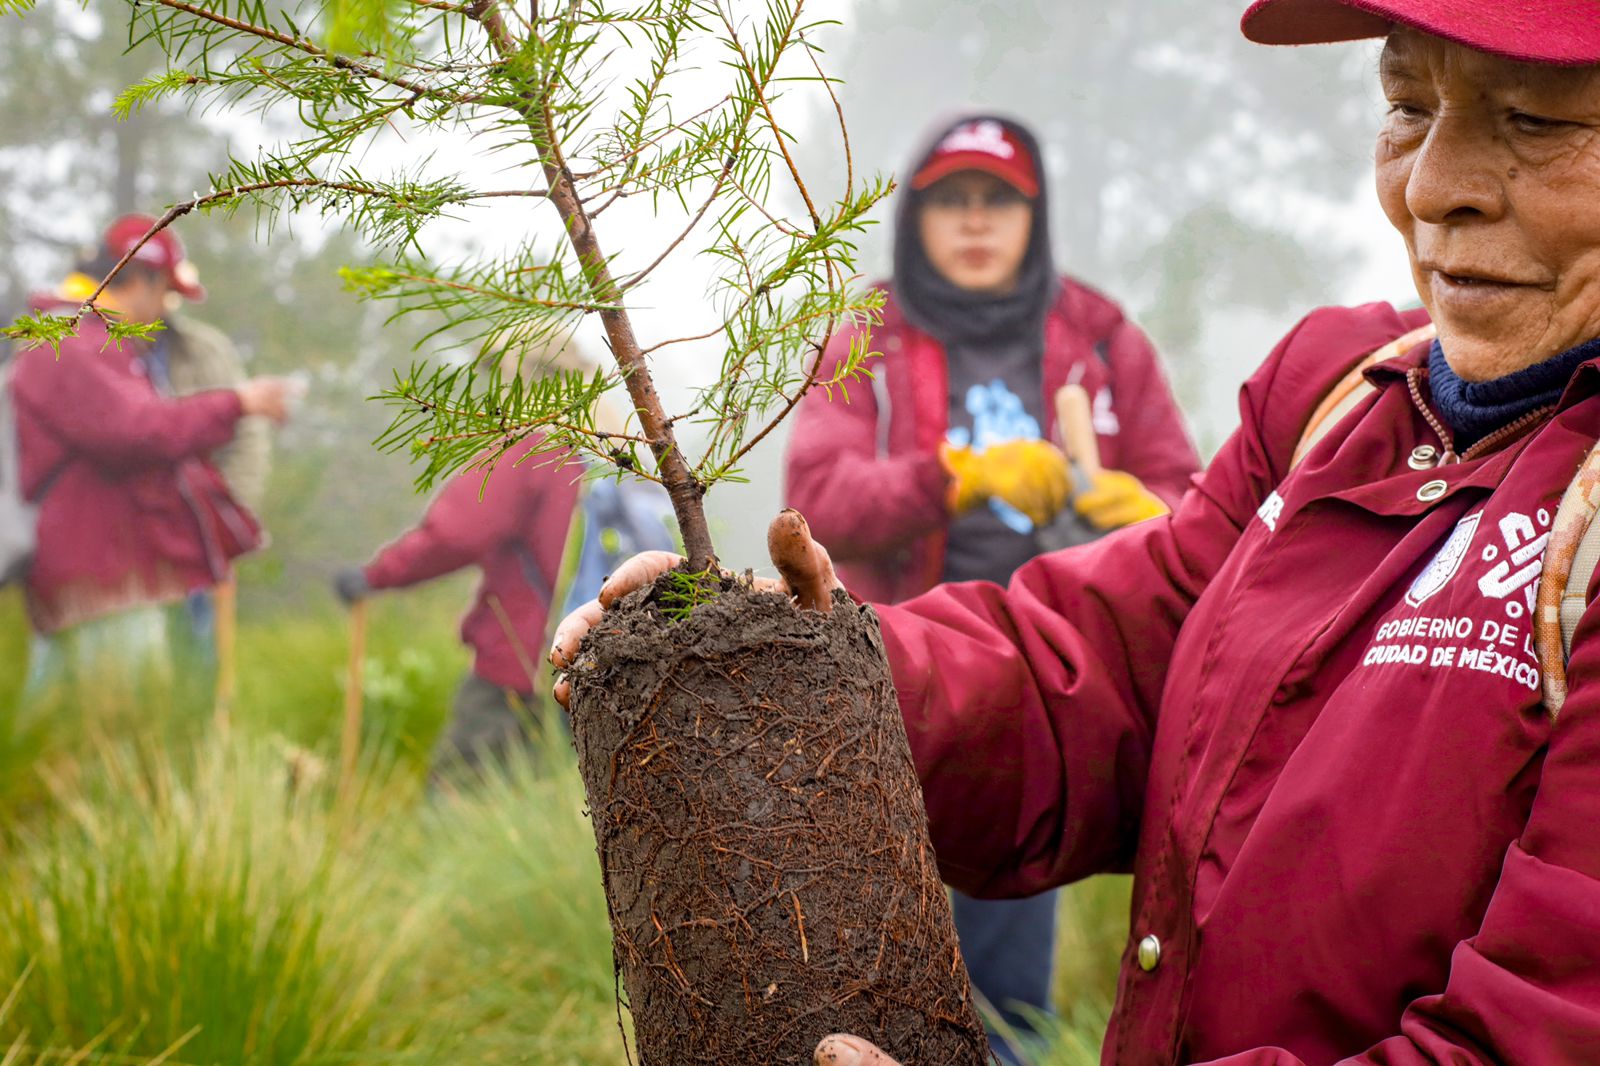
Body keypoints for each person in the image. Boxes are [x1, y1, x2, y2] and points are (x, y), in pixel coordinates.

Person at [555, 1, 1600, 1062]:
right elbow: (1109, 664)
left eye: (1533, 118)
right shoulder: (1336, 399)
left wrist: (1128, 497)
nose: (1429, 188)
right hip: (949, 695)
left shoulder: (1091, 332)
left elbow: (1537, 1036)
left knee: (1003, 1001)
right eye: (1407, 105)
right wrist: (821, 666)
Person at [784, 112, 1199, 1059]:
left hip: (1053, 683)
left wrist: (1147, 513)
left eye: (999, 201)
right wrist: (957, 475)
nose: (976, 222)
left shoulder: (1099, 335)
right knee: (865, 937)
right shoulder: (868, 335)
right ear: (916, 220)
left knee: (1007, 959)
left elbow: (1190, 494)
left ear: (1034, 216)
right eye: (952, 201)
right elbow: (817, 499)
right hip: (893, 672)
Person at [12, 220, 292, 689]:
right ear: (141, 280)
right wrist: (237, 402)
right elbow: (137, 430)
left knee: (66, 739)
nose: (166, 308)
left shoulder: (74, 337)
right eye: (165, 291)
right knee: (122, 735)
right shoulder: (80, 342)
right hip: (103, 585)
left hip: (94, 583)